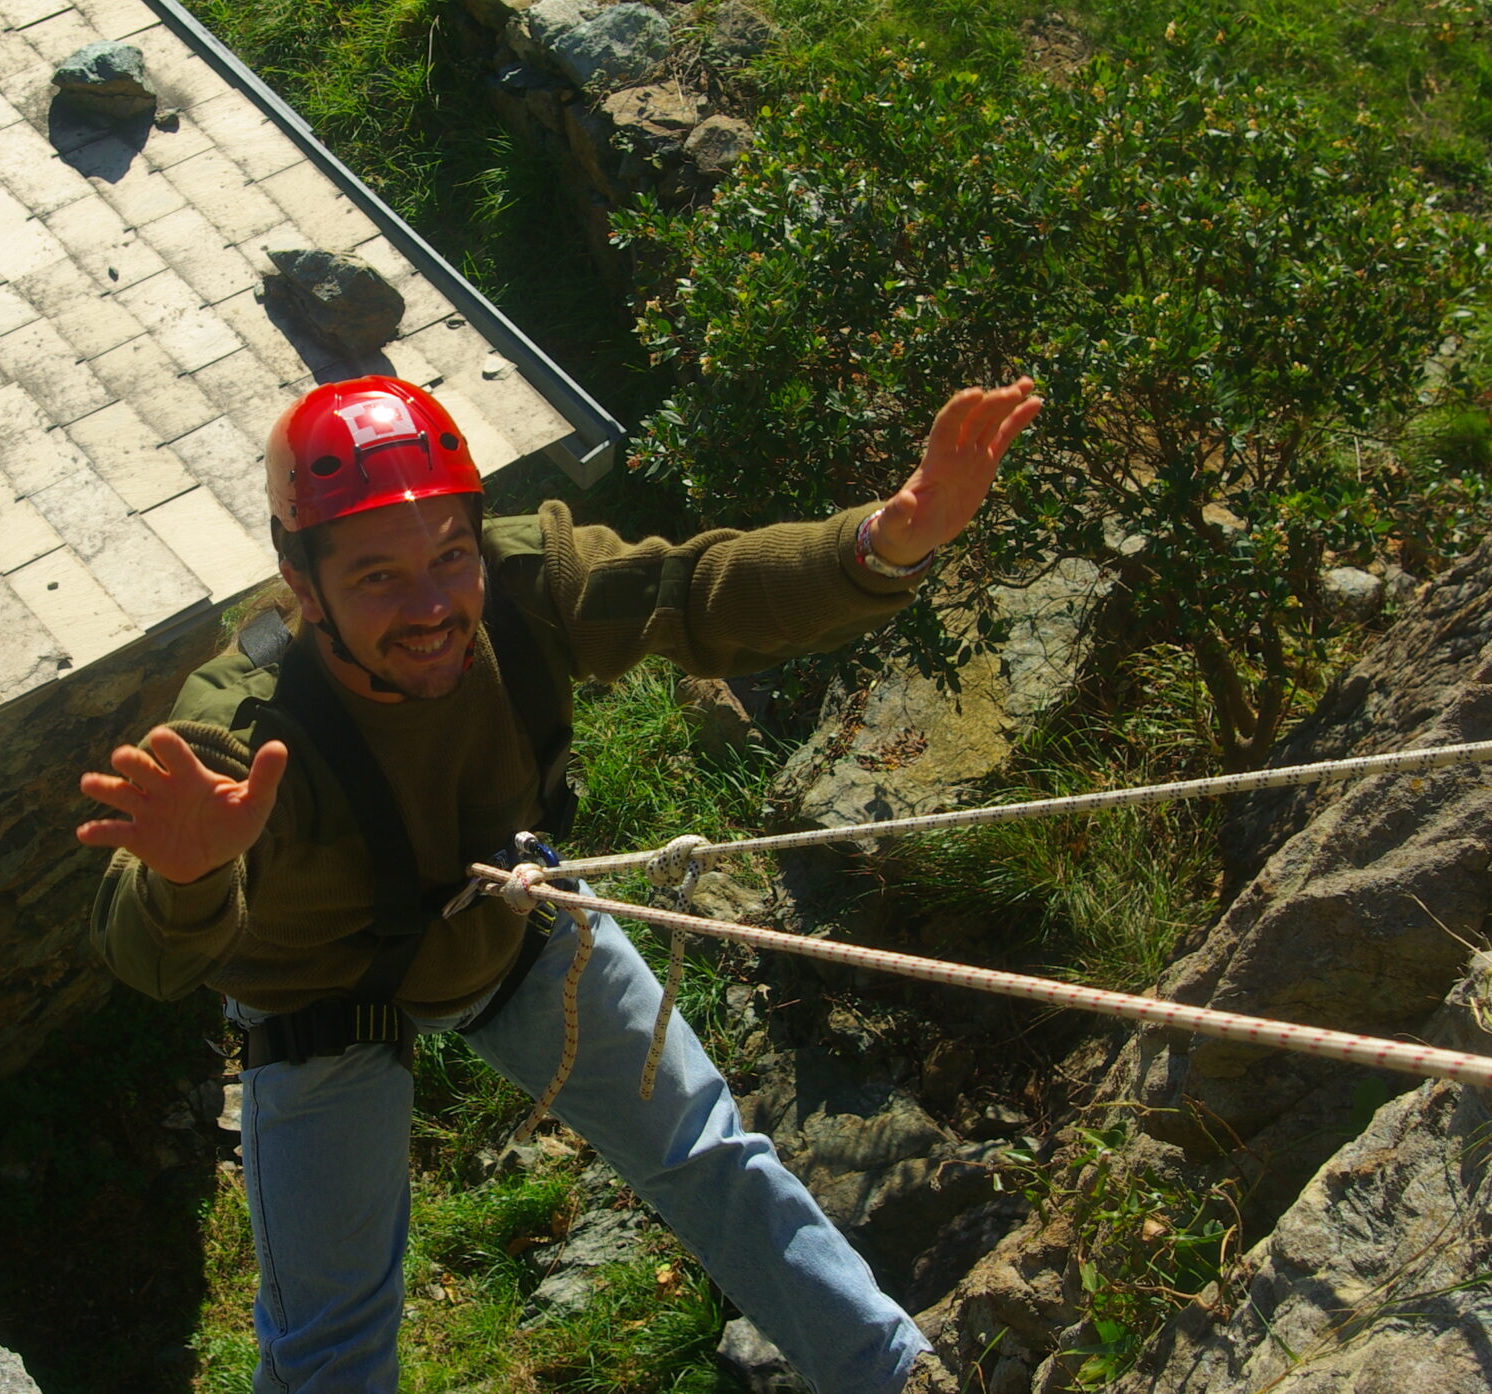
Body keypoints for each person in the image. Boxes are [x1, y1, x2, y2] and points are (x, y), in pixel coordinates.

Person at [80, 373, 1040, 1394]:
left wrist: (882, 542)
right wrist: (190, 876)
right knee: (329, 1342)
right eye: (376, 579)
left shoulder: (526, 586)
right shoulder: (247, 723)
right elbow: (143, 949)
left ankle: (894, 1377)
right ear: (299, 582)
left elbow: (692, 588)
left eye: (452, 555)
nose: (433, 606)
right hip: (319, 988)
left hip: (507, 925)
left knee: (708, 1152)